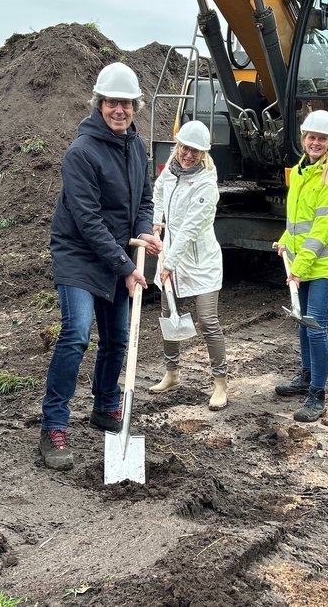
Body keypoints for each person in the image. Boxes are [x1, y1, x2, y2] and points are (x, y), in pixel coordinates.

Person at [39, 62, 162, 471]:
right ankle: (53, 426)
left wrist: (143, 234)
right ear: (99, 103)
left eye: (126, 103)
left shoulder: (138, 148)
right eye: (112, 102)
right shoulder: (81, 152)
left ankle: (105, 405)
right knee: (76, 334)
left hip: (117, 253)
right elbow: (88, 220)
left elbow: (145, 203)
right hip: (79, 253)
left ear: (134, 106)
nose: (119, 110)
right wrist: (127, 266)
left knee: (118, 338)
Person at [273, 110, 328, 422]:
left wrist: (300, 267)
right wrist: (284, 239)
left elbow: (323, 228)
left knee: (316, 326)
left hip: (326, 266)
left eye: (322, 138)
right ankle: (307, 376)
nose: (315, 142)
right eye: (311, 137)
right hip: (304, 264)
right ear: (304, 138)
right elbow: (298, 220)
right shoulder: (299, 173)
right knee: (303, 324)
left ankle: (317, 394)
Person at [147, 120, 228, 410]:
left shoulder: (207, 185)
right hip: (171, 256)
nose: (187, 154)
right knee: (169, 316)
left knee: (207, 320)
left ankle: (220, 383)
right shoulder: (170, 173)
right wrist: (156, 221)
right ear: (177, 146)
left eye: (194, 150)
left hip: (200, 260)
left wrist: (169, 261)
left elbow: (191, 228)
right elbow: (157, 193)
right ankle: (172, 373)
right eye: (184, 147)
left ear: (203, 153)